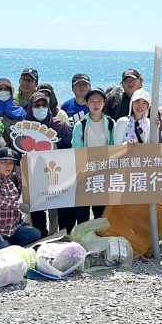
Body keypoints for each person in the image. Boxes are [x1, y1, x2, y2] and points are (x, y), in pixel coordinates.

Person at [64, 88, 115, 231]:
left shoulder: (110, 123)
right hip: (84, 172)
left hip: (103, 172)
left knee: (100, 209)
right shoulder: (81, 124)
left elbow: (113, 146)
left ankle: (98, 238)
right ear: (86, 103)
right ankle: (83, 238)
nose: (96, 104)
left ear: (104, 103)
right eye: (92, 101)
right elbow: (77, 148)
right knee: (82, 210)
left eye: (99, 101)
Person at [24, 90, 73, 237]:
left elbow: (71, 149)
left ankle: (62, 235)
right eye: (36, 105)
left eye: (43, 105)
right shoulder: (23, 128)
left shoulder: (60, 126)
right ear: (30, 108)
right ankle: (41, 237)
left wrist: (58, 150)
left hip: (57, 174)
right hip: (34, 175)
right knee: (37, 207)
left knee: (60, 208)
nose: (40, 109)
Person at [0, 147, 41, 250]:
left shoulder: (15, 178)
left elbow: (31, 182)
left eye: (11, 163)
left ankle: (11, 245)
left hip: (14, 229)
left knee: (35, 234)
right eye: (4, 162)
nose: (9, 165)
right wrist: (18, 205)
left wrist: (28, 163)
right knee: (7, 252)